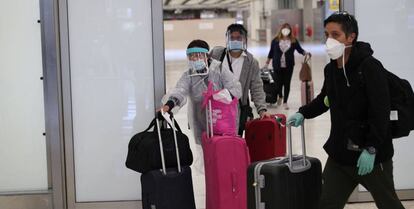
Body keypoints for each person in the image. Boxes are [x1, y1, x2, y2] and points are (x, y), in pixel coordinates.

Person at [287, 12, 405, 209]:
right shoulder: (331, 69)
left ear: (351, 37)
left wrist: (372, 147)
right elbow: (325, 100)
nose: (329, 40)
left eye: (336, 35)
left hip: (370, 157)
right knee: (326, 203)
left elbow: (381, 112)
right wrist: (303, 113)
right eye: (327, 35)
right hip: (340, 155)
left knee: (388, 204)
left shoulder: (370, 67)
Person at [159, 39, 242, 146]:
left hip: (222, 119)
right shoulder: (188, 75)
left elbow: (235, 89)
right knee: (205, 153)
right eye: (192, 56)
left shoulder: (219, 69)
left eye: (199, 55)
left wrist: (219, 97)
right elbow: (180, 91)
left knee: (222, 149)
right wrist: (168, 106)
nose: (195, 59)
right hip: (200, 121)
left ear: (207, 56)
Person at [210, 23, 271, 136]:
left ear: (244, 39)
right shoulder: (217, 54)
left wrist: (262, 109)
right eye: (232, 38)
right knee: (217, 142)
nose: (235, 40)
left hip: (237, 110)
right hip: (216, 110)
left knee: (234, 141)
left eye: (238, 38)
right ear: (227, 38)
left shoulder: (251, 62)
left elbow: (256, 87)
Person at [265, 23, 311, 109]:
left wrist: (306, 53)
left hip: (289, 66)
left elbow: (299, 49)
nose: (285, 30)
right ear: (281, 30)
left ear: (290, 31)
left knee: (287, 83)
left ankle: (285, 102)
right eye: (284, 29)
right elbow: (271, 52)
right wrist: (267, 63)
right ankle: (280, 96)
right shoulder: (275, 40)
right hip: (277, 65)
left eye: (288, 29)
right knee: (278, 84)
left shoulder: (293, 40)